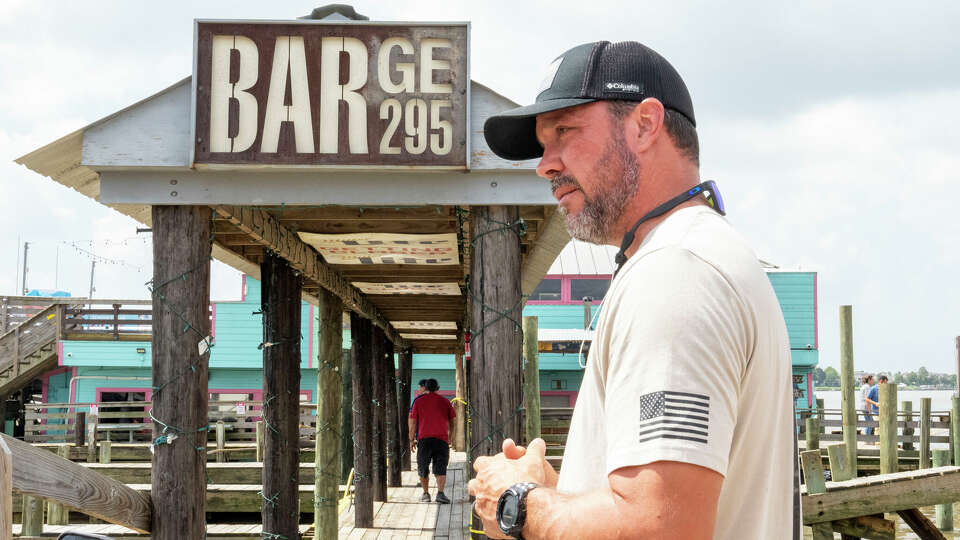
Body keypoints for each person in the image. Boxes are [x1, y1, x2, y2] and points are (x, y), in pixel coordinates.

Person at [467, 41, 795, 539]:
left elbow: (661, 527)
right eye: (543, 143)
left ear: (644, 124)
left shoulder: (675, 274)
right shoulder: (704, 254)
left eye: (564, 131)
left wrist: (517, 504)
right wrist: (557, 491)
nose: (545, 164)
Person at [408, 378, 456, 504]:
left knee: (423, 466)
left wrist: (411, 440)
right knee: (441, 466)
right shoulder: (445, 402)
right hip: (441, 440)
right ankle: (440, 494)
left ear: (426, 388)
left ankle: (425, 494)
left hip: (424, 440)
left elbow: (412, 422)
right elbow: (452, 421)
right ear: (437, 388)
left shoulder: (418, 402)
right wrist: (450, 436)